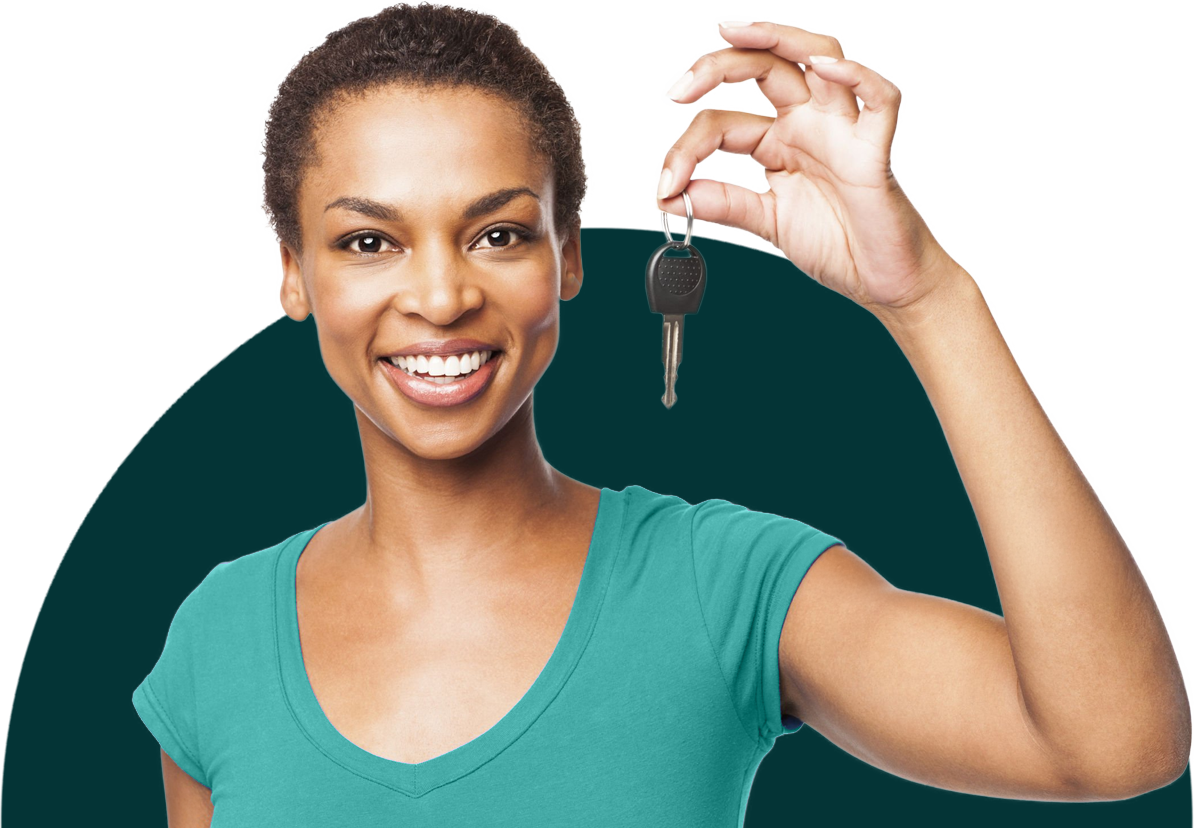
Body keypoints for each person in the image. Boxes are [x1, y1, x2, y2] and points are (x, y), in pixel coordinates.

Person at [131, 3, 1190, 824]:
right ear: (293, 276)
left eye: (498, 234)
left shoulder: (722, 585)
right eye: (370, 242)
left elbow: (1118, 743)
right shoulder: (216, 638)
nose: (443, 295)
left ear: (571, 256)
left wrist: (927, 300)